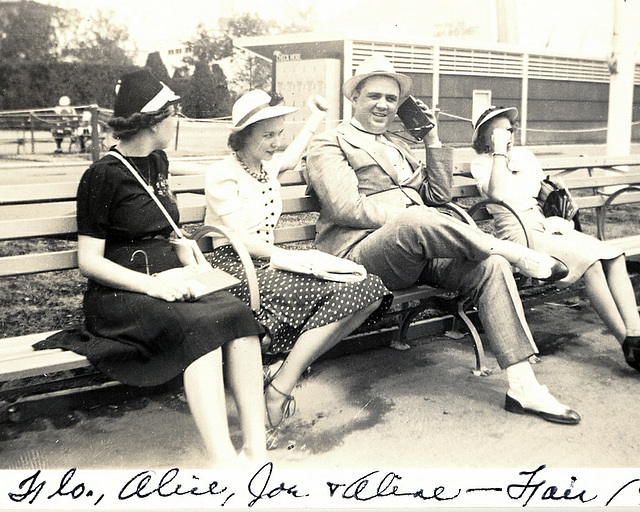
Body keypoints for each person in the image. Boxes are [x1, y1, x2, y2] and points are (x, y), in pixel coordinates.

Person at [305, 53, 581, 425]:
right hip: (360, 254)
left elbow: (438, 195)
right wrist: (410, 217)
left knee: (490, 265)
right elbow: (346, 209)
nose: (384, 105)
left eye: (391, 98)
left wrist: (432, 138)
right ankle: (512, 249)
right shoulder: (330, 142)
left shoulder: (397, 144)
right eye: (373, 96)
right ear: (354, 98)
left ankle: (523, 386)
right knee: (419, 219)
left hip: (418, 246)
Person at [36, 70, 267, 467]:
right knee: (201, 330)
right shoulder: (102, 175)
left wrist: (181, 247)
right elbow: (89, 262)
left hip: (171, 280)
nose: (176, 122)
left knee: (238, 316)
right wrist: (151, 286)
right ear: (154, 120)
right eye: (173, 114)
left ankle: (256, 450)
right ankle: (223, 461)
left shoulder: (157, 162)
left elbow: (157, 225)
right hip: (122, 294)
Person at [204, 89, 393, 439]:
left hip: (270, 266)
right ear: (243, 136)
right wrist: (288, 258)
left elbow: (293, 153)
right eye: (268, 135)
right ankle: (278, 389)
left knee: (369, 289)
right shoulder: (222, 174)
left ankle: (279, 380)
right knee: (341, 288)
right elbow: (234, 236)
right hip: (233, 267)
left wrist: (316, 116)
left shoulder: (265, 166)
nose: (277, 142)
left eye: (279, 133)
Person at [470, 105, 640, 374]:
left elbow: (541, 193)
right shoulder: (481, 164)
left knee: (614, 255)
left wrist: (556, 191)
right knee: (592, 263)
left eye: (510, 129)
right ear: (485, 138)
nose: (509, 135)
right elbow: (498, 194)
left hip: (546, 226)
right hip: (519, 235)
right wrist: (499, 152)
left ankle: (635, 335)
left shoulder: (525, 156)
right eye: (500, 131)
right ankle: (627, 345)